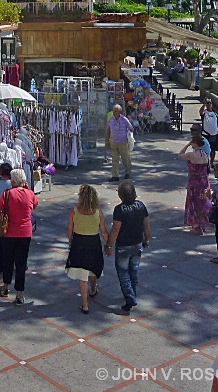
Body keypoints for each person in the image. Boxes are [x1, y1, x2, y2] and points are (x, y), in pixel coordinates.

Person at [0, 167, 37, 306]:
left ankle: (5, 287)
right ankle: (19, 294)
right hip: (25, 233)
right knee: (21, 263)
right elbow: (34, 205)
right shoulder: (30, 194)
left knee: (8, 261)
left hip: (9, 232)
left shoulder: (7, 194)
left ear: (14, 180)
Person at [104, 180, 150, 313]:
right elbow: (146, 225)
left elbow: (115, 230)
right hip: (137, 243)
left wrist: (108, 245)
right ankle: (133, 293)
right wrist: (147, 239)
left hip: (123, 245)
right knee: (134, 270)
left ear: (121, 196)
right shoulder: (141, 206)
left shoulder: (119, 210)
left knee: (123, 273)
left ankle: (129, 297)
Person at [65, 184, 108, 313]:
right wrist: (109, 244)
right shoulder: (98, 213)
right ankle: (93, 289)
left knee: (82, 275)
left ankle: (85, 304)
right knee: (93, 269)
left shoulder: (74, 211)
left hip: (79, 243)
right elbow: (104, 232)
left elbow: (69, 230)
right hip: (93, 243)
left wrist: (70, 240)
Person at [177, 134, 211, 234]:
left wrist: (187, 145)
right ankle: (202, 223)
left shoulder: (191, 155)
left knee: (194, 203)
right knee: (202, 203)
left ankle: (196, 226)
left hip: (194, 182)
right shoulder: (204, 155)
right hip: (204, 182)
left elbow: (180, 154)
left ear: (195, 143)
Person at [106, 104, 134, 182]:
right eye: (113, 111)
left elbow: (131, 128)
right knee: (114, 160)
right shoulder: (110, 119)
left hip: (123, 142)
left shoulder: (124, 119)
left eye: (116, 111)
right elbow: (108, 130)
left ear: (120, 112)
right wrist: (107, 140)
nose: (114, 112)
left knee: (125, 158)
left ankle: (127, 172)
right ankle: (115, 175)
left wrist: (129, 135)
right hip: (113, 142)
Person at [199, 98, 218, 167]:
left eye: (210, 103)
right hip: (206, 134)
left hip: (215, 134)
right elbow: (201, 111)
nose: (209, 105)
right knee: (205, 149)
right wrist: (204, 105)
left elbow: (217, 123)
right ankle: (205, 162)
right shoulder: (205, 113)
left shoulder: (215, 113)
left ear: (212, 105)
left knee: (213, 150)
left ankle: (211, 162)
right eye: (207, 104)